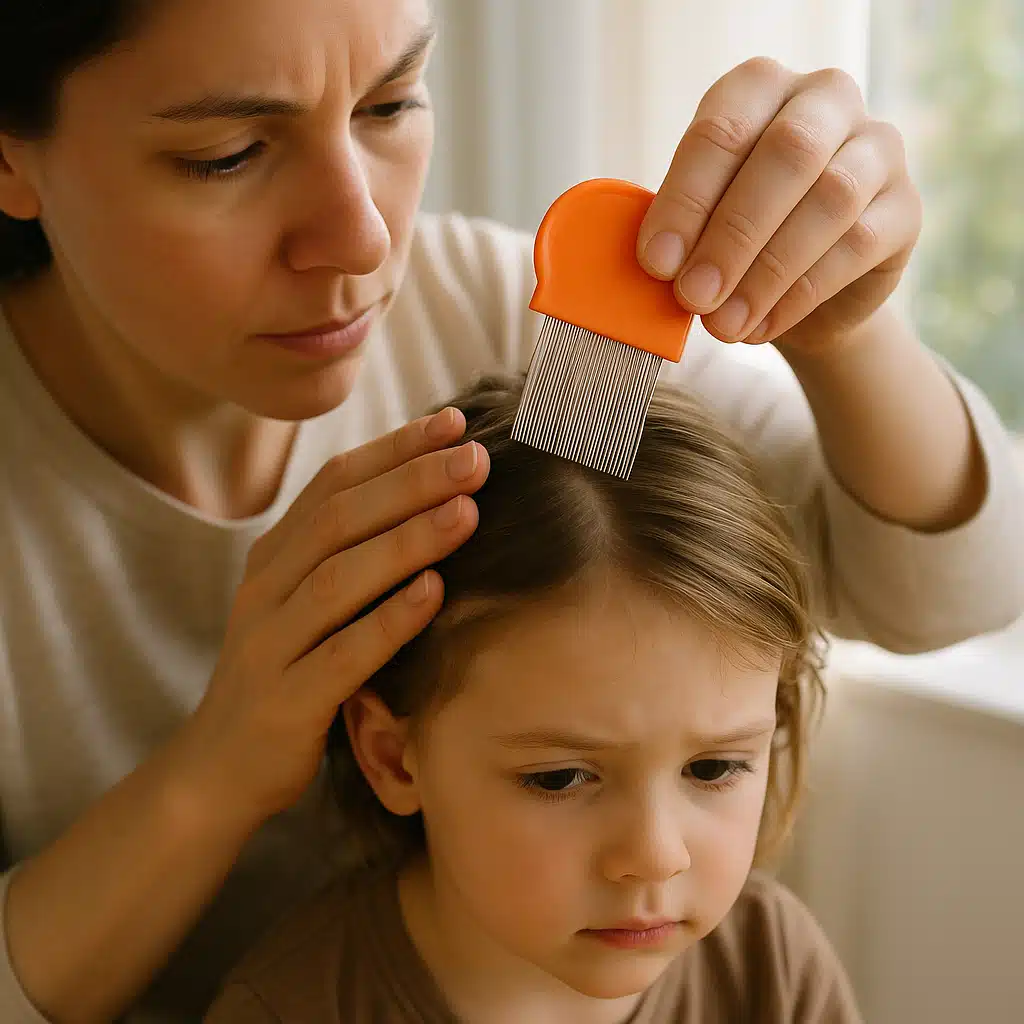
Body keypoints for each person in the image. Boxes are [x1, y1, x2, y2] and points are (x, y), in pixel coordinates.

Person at [0, 0, 1021, 1021]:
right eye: (225, 155)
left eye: (390, 104)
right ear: (12, 158)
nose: (359, 236)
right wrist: (218, 769)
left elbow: (952, 587)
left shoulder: (530, 319)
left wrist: (843, 330)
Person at [202, 374, 859, 1024]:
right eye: (561, 777)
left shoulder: (773, 969)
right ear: (395, 757)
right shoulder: (296, 1007)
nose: (656, 856)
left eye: (713, 768)